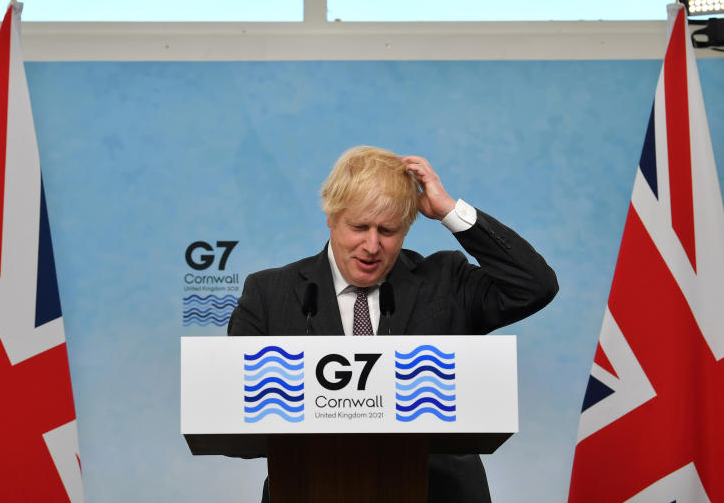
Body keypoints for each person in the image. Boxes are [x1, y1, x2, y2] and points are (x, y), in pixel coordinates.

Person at [227, 146, 558, 502]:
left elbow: (534, 286)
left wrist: (449, 211)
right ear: (331, 216)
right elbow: (236, 409)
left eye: (388, 230)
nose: (372, 246)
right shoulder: (269, 293)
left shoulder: (445, 282)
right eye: (359, 227)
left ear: (407, 228)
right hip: (310, 488)